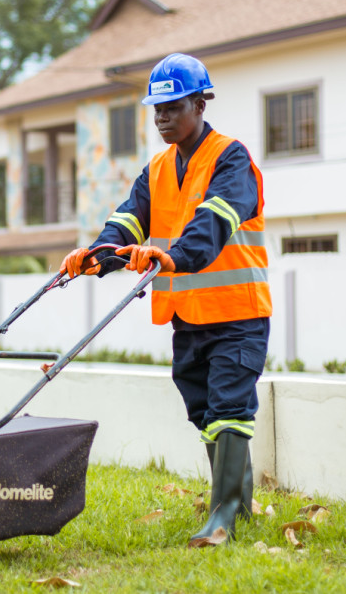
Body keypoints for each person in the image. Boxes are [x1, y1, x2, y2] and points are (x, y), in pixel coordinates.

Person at [59, 52, 271, 547]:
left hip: (237, 313)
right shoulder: (156, 168)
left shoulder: (231, 157)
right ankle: (238, 504)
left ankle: (224, 518)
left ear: (200, 104)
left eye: (173, 107)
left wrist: (173, 255)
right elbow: (128, 220)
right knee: (205, 413)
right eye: (156, 110)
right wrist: (96, 256)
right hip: (186, 317)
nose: (162, 119)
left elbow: (214, 221)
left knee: (228, 409)